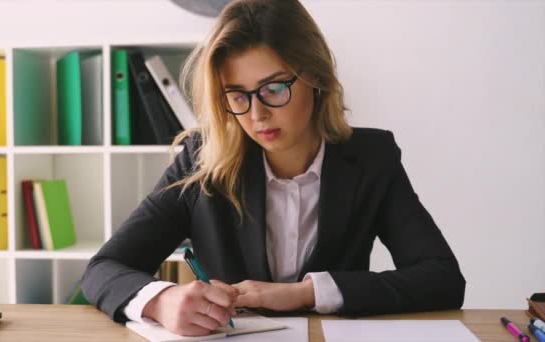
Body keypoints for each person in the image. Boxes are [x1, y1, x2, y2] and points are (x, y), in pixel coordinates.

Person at [82, 0, 465, 336]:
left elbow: (443, 278)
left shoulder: (371, 157)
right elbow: (104, 268)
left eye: (274, 88)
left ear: (316, 77)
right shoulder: (201, 160)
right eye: (237, 95)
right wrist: (160, 301)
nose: (257, 113)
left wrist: (307, 292)